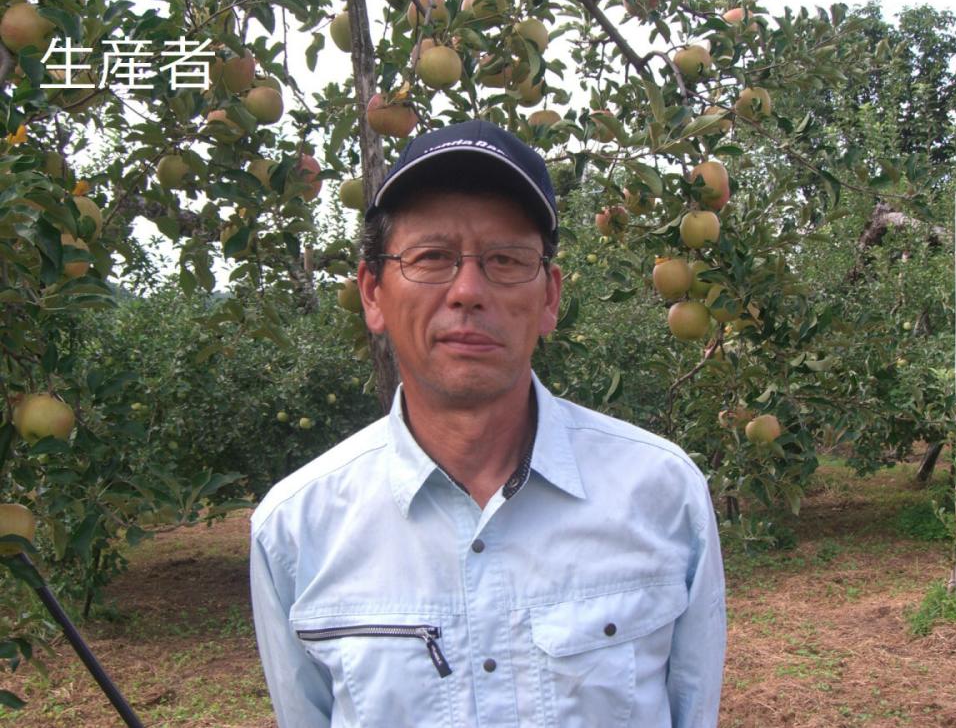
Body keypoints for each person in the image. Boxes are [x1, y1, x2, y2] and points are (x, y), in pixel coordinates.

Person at [249, 119, 727, 728]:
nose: (468, 290)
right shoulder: (296, 528)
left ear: (550, 297)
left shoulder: (662, 491)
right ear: (373, 293)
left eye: (505, 260)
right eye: (431, 257)